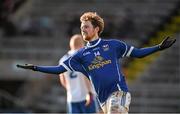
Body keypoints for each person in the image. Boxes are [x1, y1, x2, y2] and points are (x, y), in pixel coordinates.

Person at [16, 12, 176, 114]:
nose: (82, 29)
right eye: (81, 27)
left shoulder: (113, 45)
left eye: (86, 26)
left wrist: (159, 47)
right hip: (102, 100)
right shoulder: (80, 55)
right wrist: (36, 68)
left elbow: (138, 53)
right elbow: (59, 70)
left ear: (96, 29)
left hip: (118, 93)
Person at [59, 34, 98, 113]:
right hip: (86, 96)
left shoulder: (62, 60)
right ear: (82, 44)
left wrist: (71, 90)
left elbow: (63, 80)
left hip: (72, 98)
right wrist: (90, 92)